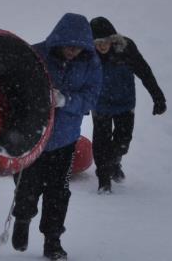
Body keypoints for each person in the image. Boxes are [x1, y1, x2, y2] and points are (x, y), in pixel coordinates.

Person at [10, 13, 102, 260]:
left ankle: (53, 240)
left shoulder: (91, 64)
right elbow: (14, 86)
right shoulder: (37, 54)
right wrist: (38, 97)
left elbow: (91, 99)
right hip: (32, 136)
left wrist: (65, 100)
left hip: (65, 139)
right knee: (27, 185)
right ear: (59, 40)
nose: (72, 52)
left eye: (78, 47)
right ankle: (23, 217)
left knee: (58, 192)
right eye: (68, 46)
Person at [89, 16, 166, 194]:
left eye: (105, 41)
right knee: (101, 142)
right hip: (100, 103)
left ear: (113, 39)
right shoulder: (88, 54)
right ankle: (103, 180)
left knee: (123, 142)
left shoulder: (126, 49)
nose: (101, 46)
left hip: (125, 102)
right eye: (97, 42)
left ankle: (115, 161)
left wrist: (158, 97)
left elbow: (144, 71)